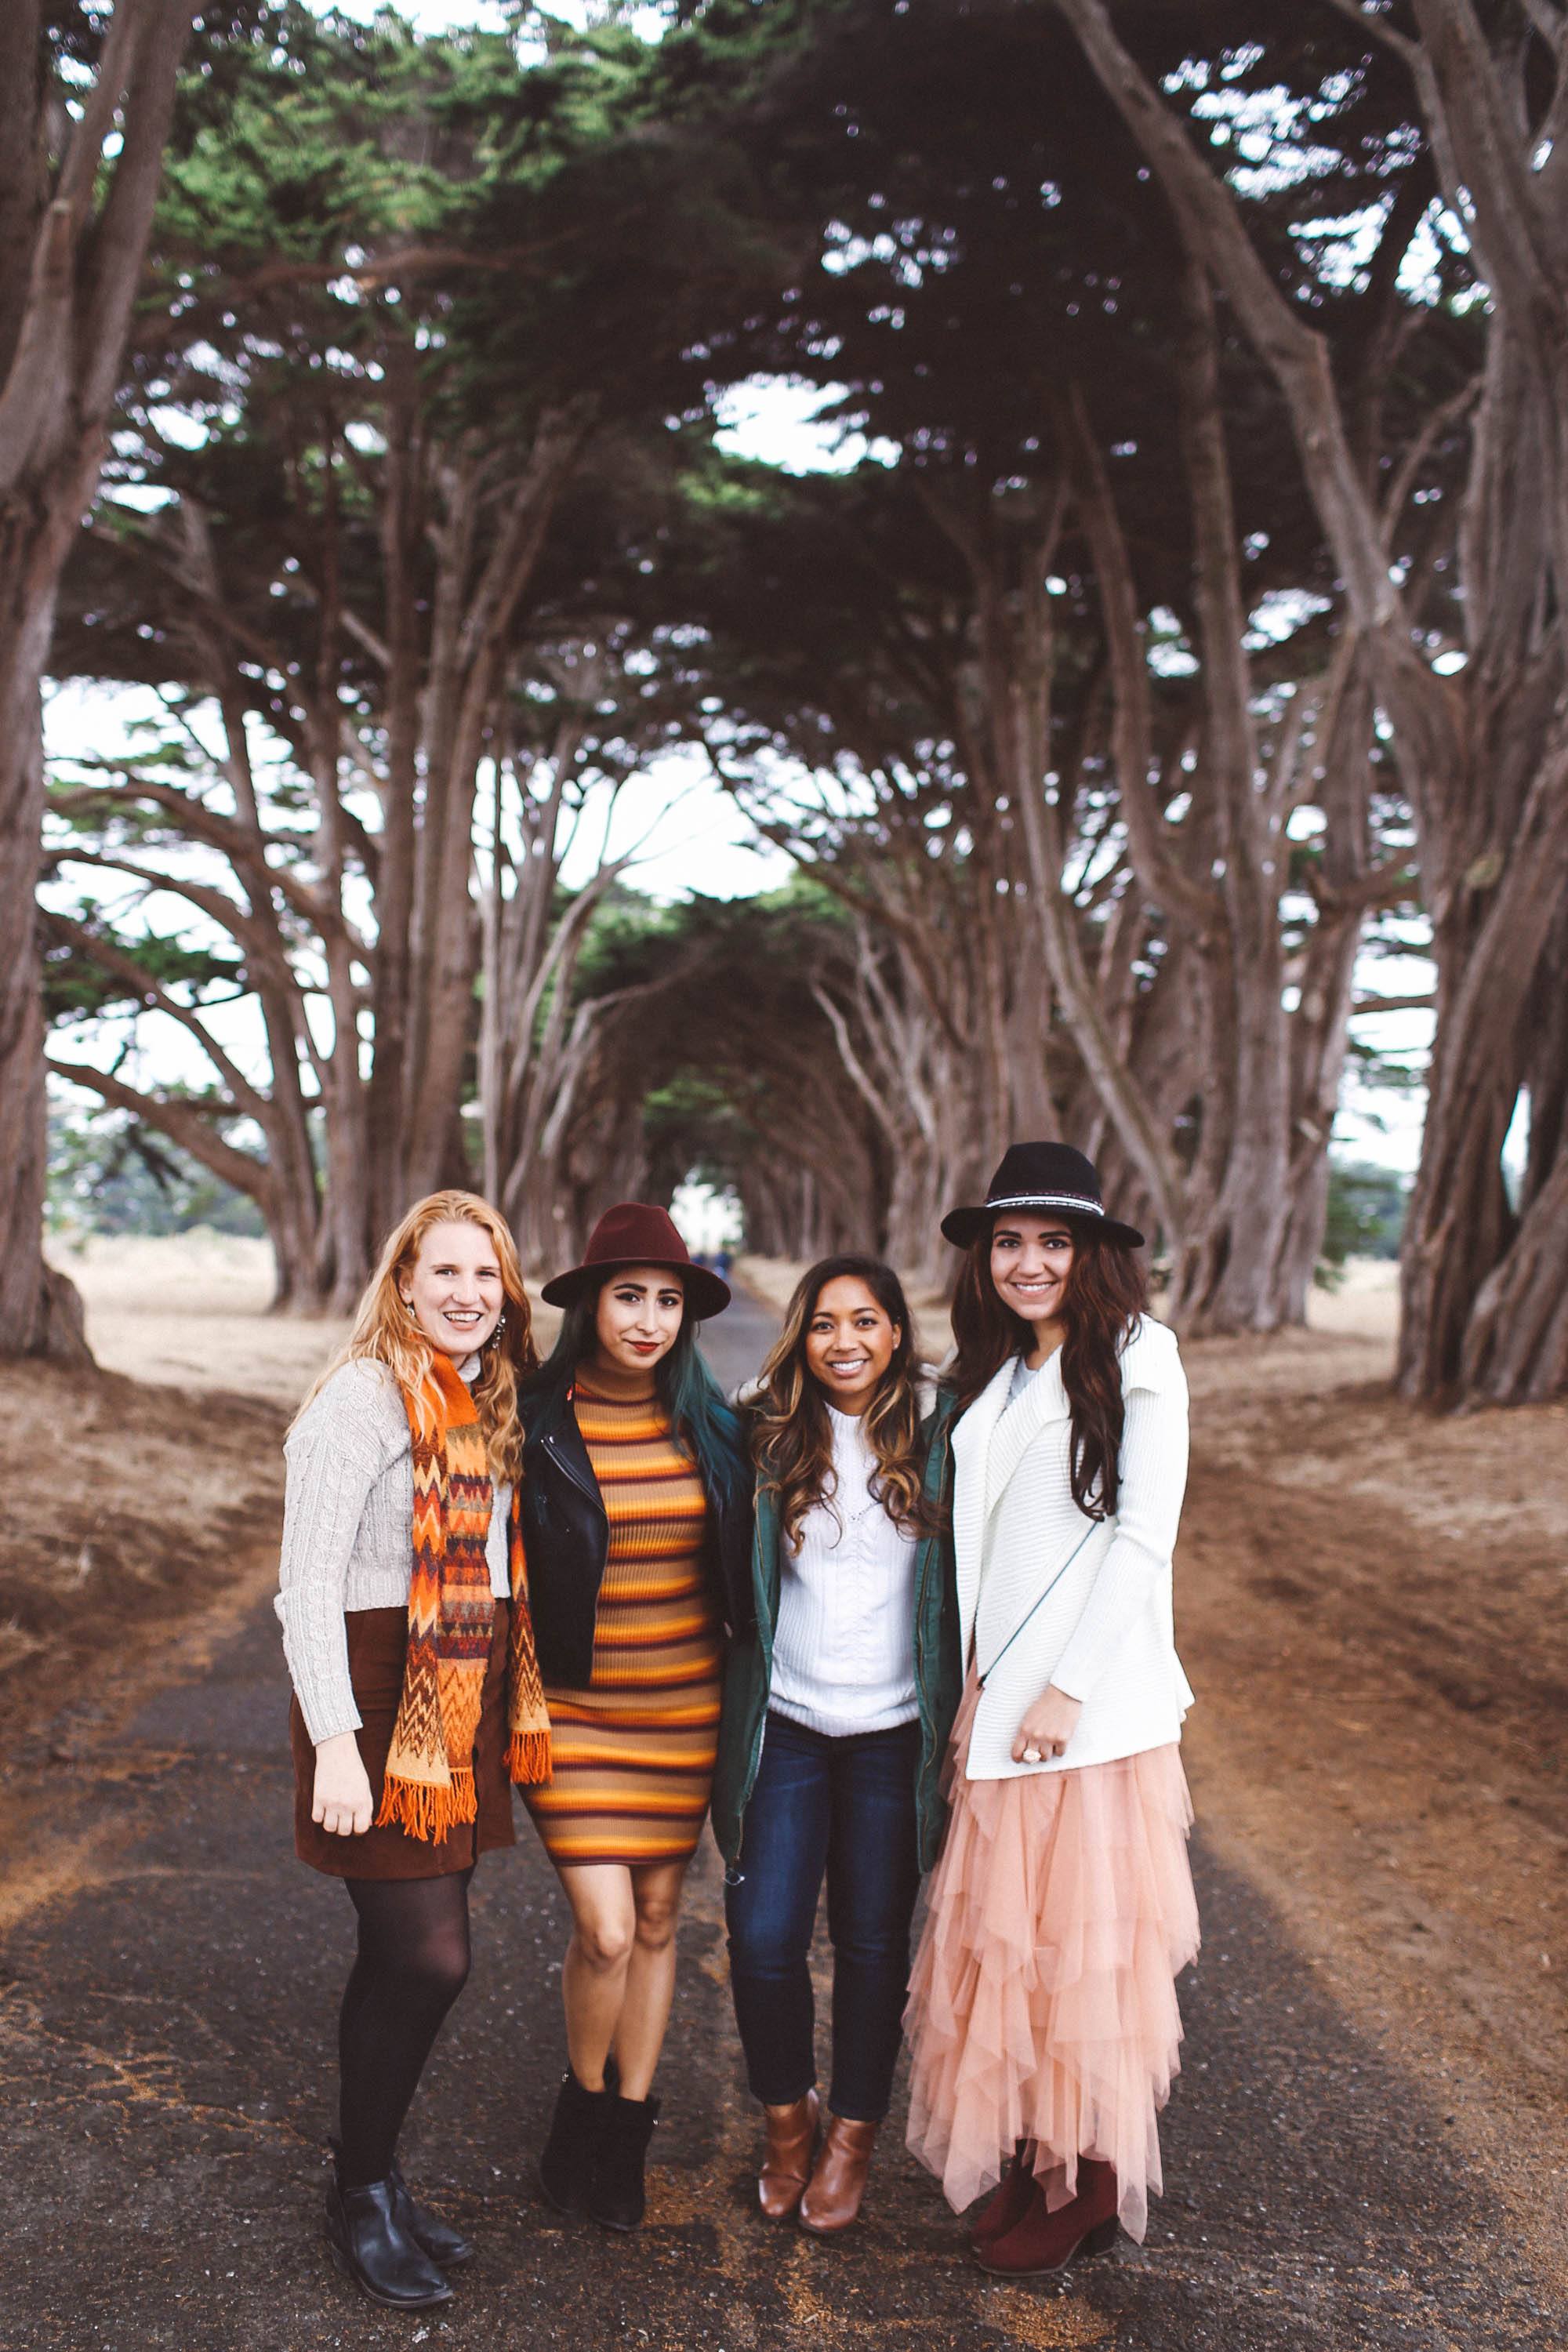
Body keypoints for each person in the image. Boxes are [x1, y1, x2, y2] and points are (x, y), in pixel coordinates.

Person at [903, 1142, 1199, 2278]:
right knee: (1012, 1958)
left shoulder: (1137, 1356)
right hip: (1002, 1707)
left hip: (1085, 1716)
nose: (1028, 1263)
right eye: (1009, 1243)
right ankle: (1035, 2160)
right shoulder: (999, 1370)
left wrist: (1066, 1689)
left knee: (1081, 1960)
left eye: (1053, 1242)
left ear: (1092, 1254)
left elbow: (1141, 1539)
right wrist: (980, 1685)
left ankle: (1090, 2178)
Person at [277, 1190, 551, 2312]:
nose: (467, 1294)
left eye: (486, 1275)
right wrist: (337, 1745)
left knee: (399, 1959)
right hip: (380, 1695)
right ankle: (359, 2193)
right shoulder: (359, 1399)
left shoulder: (483, 1397)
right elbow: (305, 1591)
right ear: (401, 1283)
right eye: (445, 1272)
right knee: (432, 1958)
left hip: (457, 1688)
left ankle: (372, 2177)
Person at [712, 1257, 960, 2234]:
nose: (844, 1341)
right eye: (822, 1323)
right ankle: (788, 2121)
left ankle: (852, 2135)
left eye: (864, 1321)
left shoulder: (942, 1434)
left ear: (896, 1332)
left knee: (870, 1945)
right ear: (799, 1335)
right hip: (786, 1727)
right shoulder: (763, 1430)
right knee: (762, 1939)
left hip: (891, 1736)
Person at [517, 1203, 752, 2232]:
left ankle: (626, 2131)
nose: (649, 1320)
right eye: (628, 1297)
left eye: (666, 1301)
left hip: (686, 1710)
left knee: (658, 1921)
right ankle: (580, 2108)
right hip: (573, 1715)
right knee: (606, 1930)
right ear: (590, 1306)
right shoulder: (532, 1423)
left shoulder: (718, 1427)